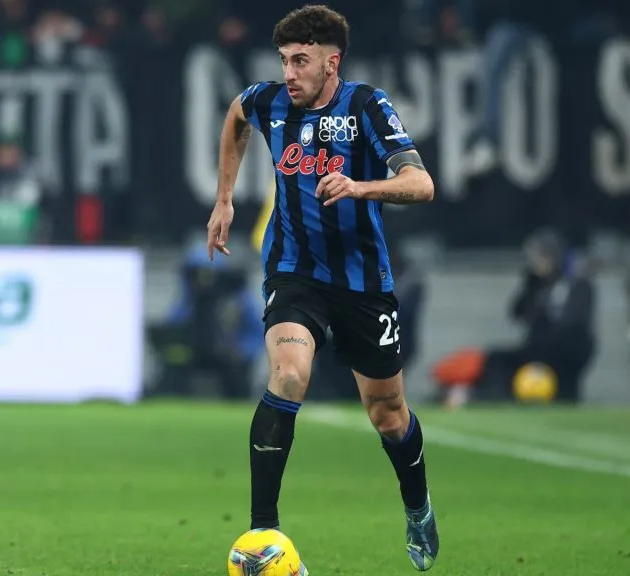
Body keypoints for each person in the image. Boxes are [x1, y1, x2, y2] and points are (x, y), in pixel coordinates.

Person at [205, 5, 439, 572]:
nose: (289, 73)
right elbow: (236, 116)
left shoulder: (366, 106)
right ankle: (264, 531)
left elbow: (421, 184)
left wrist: (360, 187)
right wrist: (224, 198)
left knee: (388, 414)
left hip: (362, 282)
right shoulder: (269, 101)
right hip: (295, 272)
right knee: (288, 373)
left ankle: (417, 506)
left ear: (331, 63)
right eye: (284, 60)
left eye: (301, 61)